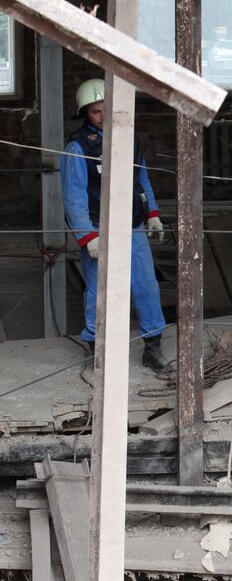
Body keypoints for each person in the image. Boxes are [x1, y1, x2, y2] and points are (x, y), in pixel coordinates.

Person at [61, 78, 169, 372]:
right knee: (100, 290)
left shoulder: (129, 138)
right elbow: (74, 196)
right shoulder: (78, 147)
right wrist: (87, 236)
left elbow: (141, 178)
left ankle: (153, 346)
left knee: (146, 285)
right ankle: (99, 349)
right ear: (84, 114)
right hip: (99, 227)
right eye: (95, 112)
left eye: (106, 109)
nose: (102, 116)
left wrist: (152, 213)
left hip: (132, 225)